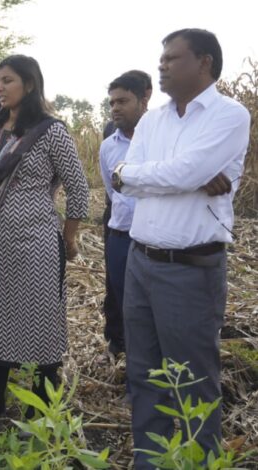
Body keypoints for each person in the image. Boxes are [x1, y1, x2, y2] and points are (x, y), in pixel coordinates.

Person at [112, 29, 249, 468]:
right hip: (141, 260)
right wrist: (168, 176)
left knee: (192, 380)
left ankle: (197, 462)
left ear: (204, 62)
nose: (162, 65)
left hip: (190, 268)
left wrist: (151, 174)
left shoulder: (230, 115)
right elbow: (127, 177)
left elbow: (180, 172)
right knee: (144, 374)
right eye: (162, 57)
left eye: (172, 58)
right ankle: (149, 461)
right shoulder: (153, 120)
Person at [0, 55, 89, 427]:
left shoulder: (50, 131)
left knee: (40, 324)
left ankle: (40, 416)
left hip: (36, 244)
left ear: (30, 84)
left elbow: (78, 189)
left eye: (8, 80)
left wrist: (68, 237)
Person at [100, 70, 151, 356]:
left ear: (145, 99)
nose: (116, 108)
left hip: (152, 237)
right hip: (120, 234)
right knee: (120, 298)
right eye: (112, 103)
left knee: (148, 307)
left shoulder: (160, 140)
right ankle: (122, 348)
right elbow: (112, 191)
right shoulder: (108, 146)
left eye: (123, 101)